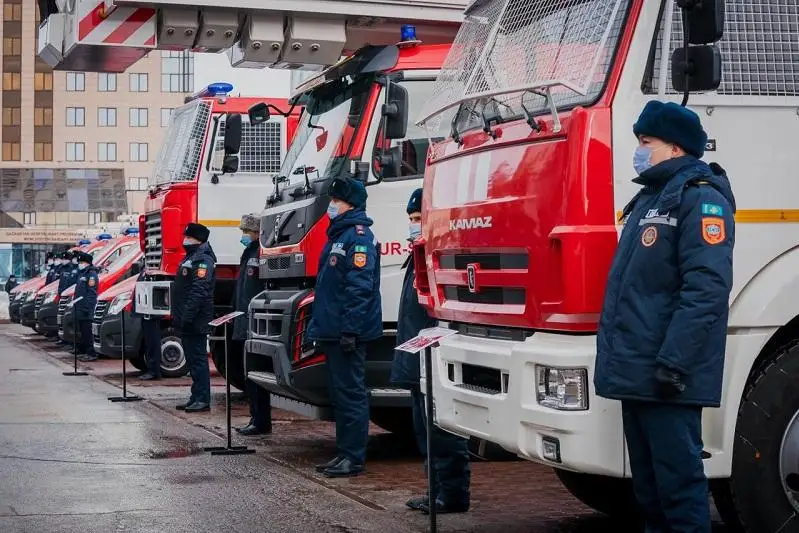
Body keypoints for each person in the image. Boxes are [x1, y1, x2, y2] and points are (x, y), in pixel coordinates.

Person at [594, 101, 735, 533]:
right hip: (638, 372)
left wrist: (674, 361)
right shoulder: (649, 200)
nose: (639, 150)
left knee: (679, 487)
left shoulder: (701, 200)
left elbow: (706, 290)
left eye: (646, 142)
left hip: (667, 376)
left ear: (675, 148)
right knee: (650, 491)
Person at [390, 188, 471, 514]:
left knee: (443, 431)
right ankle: (434, 489)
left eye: (419, 218)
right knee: (423, 430)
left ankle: (451, 493)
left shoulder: (444, 253)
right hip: (417, 358)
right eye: (411, 219)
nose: (414, 224)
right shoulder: (417, 254)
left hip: (436, 358)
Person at [307, 177, 382, 478]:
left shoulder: (358, 236)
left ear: (349, 203)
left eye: (336, 200)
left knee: (351, 395)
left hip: (348, 332)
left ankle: (354, 457)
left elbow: (359, 287)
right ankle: (344, 453)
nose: (331, 205)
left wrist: (350, 329)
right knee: (341, 394)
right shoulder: (339, 235)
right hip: (335, 330)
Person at [233, 214, 272, 436]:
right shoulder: (249, 254)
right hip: (244, 320)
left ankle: (260, 420)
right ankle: (255, 417)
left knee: (256, 374)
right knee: (249, 374)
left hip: (254, 322)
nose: (244, 236)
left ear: (257, 232)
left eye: (246, 232)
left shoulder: (260, 254)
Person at [173, 223, 216, 413]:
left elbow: (199, 291)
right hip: (187, 318)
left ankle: (203, 399)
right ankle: (195, 396)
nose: (185, 239)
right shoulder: (191, 256)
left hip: (195, 319)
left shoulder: (203, 259)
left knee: (198, 360)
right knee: (191, 360)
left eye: (188, 236)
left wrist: (187, 316)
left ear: (197, 239)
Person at [134, 260, 163, 382]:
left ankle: (154, 370)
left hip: (152, 313)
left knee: (153, 343)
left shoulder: (155, 273)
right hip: (144, 311)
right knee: (147, 342)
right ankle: (150, 368)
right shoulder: (144, 272)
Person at [74, 251, 100, 362]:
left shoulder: (91, 274)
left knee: (88, 332)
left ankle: (91, 353)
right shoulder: (83, 273)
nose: (80, 264)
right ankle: (84, 351)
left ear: (87, 263)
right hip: (80, 307)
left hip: (87, 308)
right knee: (83, 331)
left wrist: (88, 307)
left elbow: (91, 293)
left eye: (82, 262)